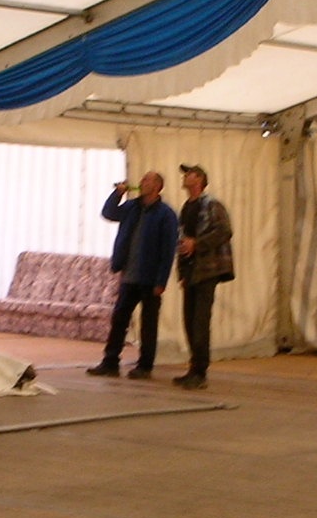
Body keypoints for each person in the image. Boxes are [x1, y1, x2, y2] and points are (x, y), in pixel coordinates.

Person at [89, 171, 178, 380]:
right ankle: (110, 362)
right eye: (143, 179)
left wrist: (161, 281)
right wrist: (117, 194)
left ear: (157, 187)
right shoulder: (131, 207)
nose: (142, 182)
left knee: (148, 324)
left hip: (150, 278)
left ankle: (145, 366)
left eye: (147, 180)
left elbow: (168, 250)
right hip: (129, 275)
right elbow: (108, 213)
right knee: (119, 319)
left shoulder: (166, 214)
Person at [172, 164, 233, 389]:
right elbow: (182, 240)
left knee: (200, 321)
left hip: (208, 270)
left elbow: (224, 231)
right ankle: (193, 368)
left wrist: (197, 243)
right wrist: (182, 271)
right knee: (189, 321)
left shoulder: (212, 204)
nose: (185, 177)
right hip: (191, 271)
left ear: (200, 180)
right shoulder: (187, 207)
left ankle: (200, 372)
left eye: (190, 174)